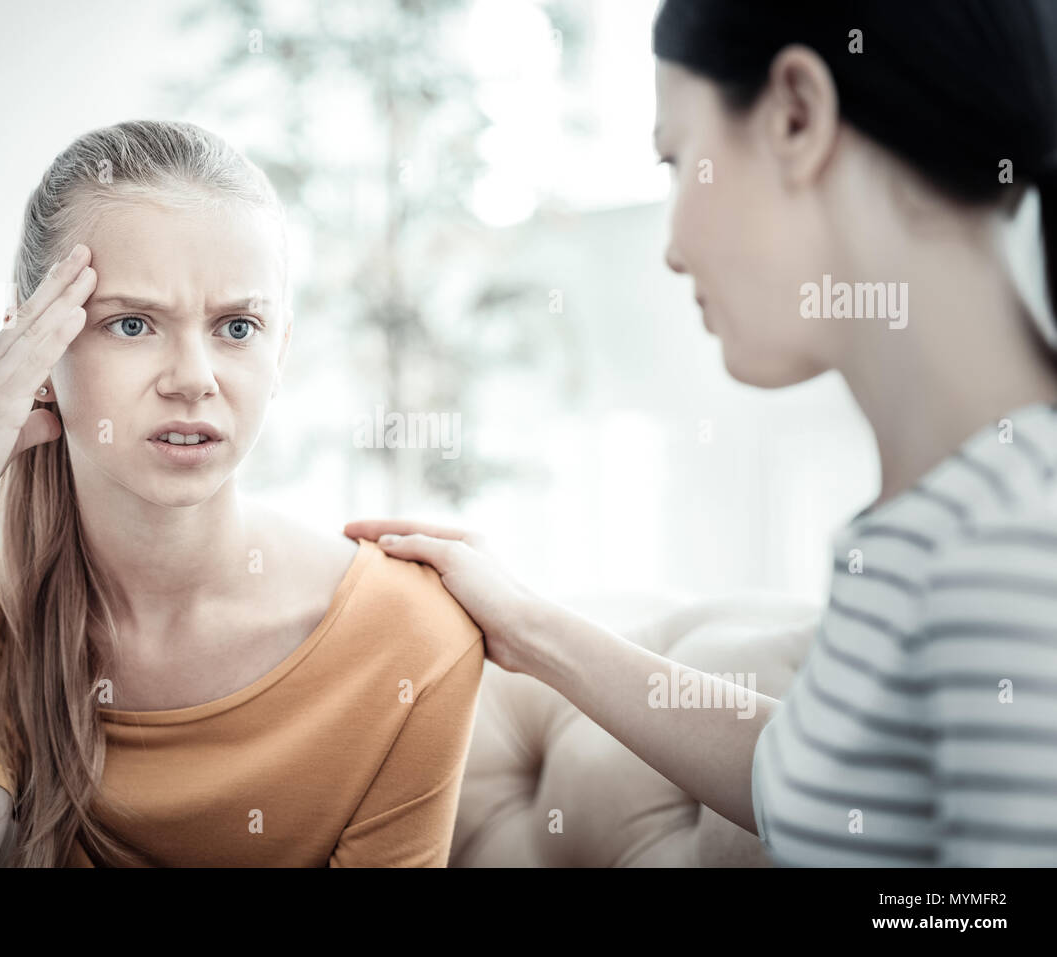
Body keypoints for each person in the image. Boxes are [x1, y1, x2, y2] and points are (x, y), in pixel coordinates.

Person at [348, 0, 1057, 866]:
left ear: (797, 115)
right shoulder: (947, 519)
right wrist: (528, 625)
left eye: (680, 162)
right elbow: (810, 778)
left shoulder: (1013, 543)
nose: (674, 247)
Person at [0, 120, 484, 867]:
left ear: (278, 350)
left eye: (236, 325)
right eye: (132, 324)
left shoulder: (412, 634)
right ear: (30, 353)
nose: (193, 377)